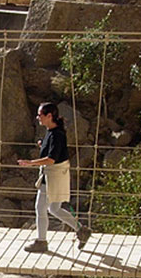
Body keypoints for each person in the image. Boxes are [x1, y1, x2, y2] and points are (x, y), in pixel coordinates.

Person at [17, 102, 90, 252]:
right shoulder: (53, 132)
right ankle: (81, 230)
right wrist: (42, 145)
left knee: (40, 207)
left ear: (49, 116)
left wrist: (30, 163)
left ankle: (41, 241)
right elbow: (53, 151)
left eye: (40, 115)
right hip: (57, 174)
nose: (38, 118)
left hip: (52, 176)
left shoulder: (56, 134)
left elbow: (51, 159)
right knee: (54, 208)